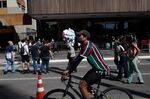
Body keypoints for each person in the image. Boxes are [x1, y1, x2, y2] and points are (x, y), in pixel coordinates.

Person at [61, 30, 110, 99]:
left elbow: (78, 60)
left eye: (79, 36)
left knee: (82, 85)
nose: (78, 37)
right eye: (77, 36)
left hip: (100, 69)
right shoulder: (84, 45)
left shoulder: (88, 46)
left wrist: (69, 72)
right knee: (84, 84)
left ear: (85, 37)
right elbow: (76, 59)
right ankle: (96, 97)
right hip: (96, 69)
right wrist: (68, 69)